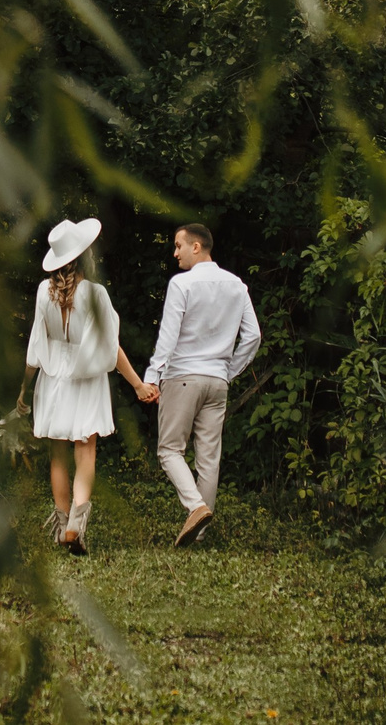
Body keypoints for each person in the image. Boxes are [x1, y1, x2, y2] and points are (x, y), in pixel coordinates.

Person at [24, 217, 152, 555]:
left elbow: (35, 348)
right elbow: (111, 346)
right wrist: (137, 384)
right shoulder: (95, 294)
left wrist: (24, 391)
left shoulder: (43, 292)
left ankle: (61, 524)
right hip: (85, 381)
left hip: (53, 380)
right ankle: (76, 526)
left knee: (58, 454)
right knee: (85, 452)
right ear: (84, 257)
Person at [138, 221, 261, 547]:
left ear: (197, 246)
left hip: (182, 377)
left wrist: (152, 376)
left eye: (178, 246)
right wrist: (228, 371)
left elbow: (168, 336)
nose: (175, 253)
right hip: (217, 381)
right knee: (208, 458)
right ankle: (200, 535)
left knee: (169, 450)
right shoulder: (237, 285)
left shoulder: (182, 284)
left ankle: (195, 507)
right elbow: (253, 336)